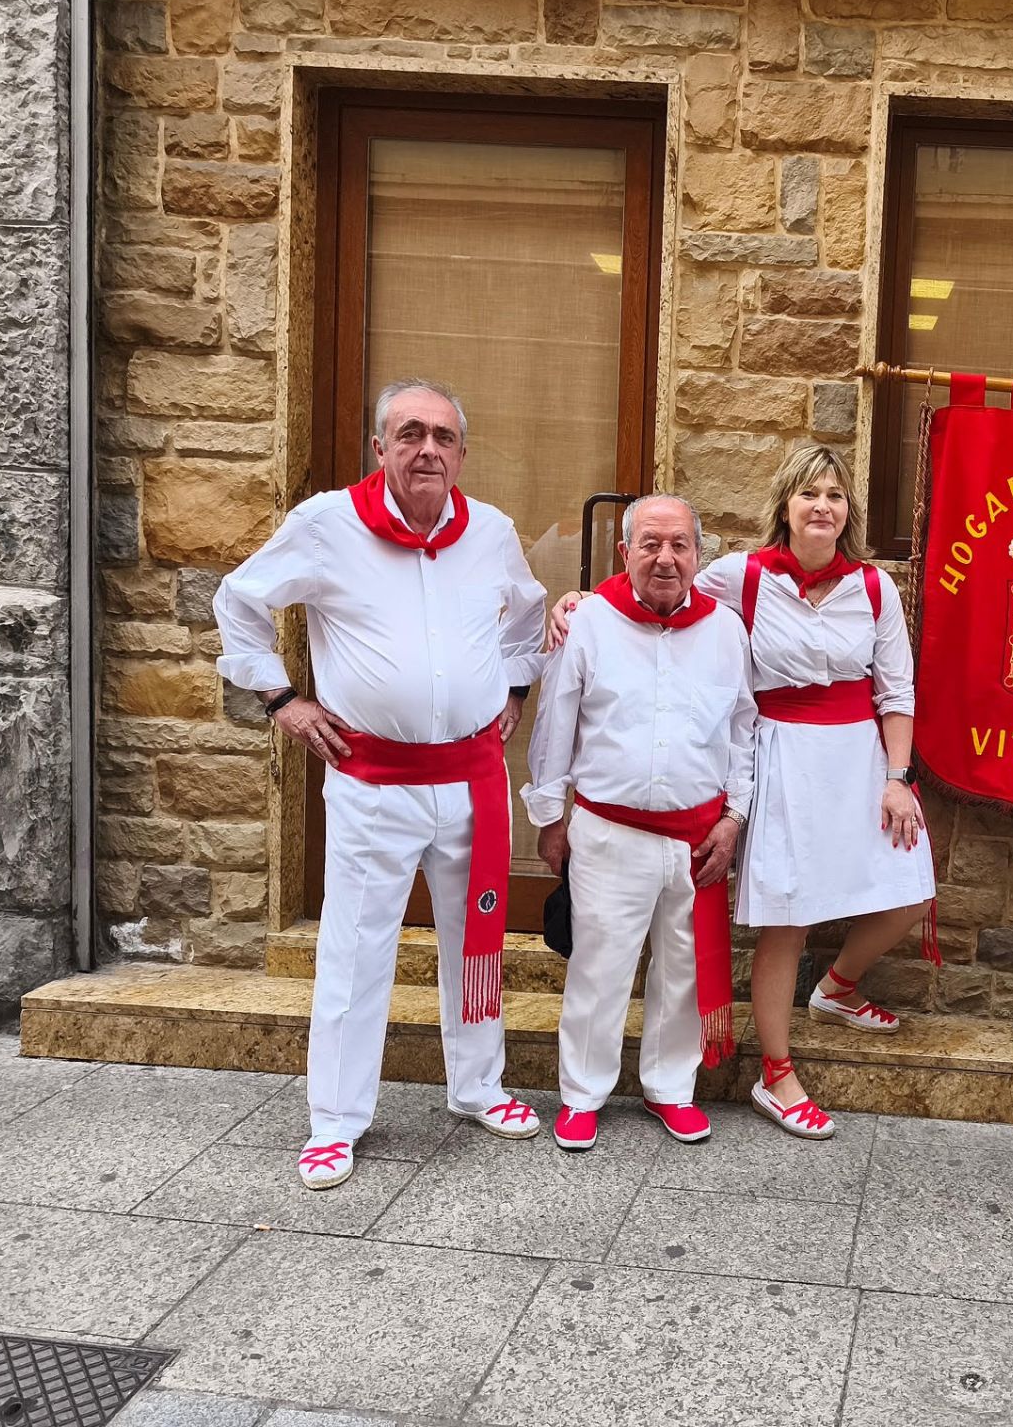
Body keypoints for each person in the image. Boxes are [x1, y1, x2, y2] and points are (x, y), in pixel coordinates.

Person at [214, 379, 547, 1191]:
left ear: (461, 453)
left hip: (470, 780)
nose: (426, 449)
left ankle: (476, 1088)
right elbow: (240, 601)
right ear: (381, 448)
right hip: (374, 783)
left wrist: (511, 689)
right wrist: (282, 700)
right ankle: (335, 1121)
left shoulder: (492, 532)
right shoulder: (327, 525)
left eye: (442, 436)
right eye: (409, 434)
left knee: (477, 944)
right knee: (357, 951)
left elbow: (529, 615)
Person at [549, 445, 933, 1140]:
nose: (822, 506)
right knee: (787, 915)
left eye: (835, 495)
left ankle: (838, 988)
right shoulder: (741, 577)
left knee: (911, 893)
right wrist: (575, 600)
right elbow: (657, 583)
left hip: (859, 759)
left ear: (849, 511)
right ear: (784, 506)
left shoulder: (873, 588)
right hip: (784, 758)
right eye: (809, 493)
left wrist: (898, 778)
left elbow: (896, 688)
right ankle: (775, 1074)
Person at [523, 494, 756, 1152]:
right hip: (609, 832)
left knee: (682, 968)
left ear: (698, 555)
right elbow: (557, 719)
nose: (665, 558)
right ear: (624, 553)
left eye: (679, 544)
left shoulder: (726, 632)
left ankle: (669, 1089)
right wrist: (549, 813)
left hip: (698, 840)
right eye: (650, 544)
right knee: (600, 969)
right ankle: (582, 1095)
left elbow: (744, 730)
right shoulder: (589, 624)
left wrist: (736, 816)